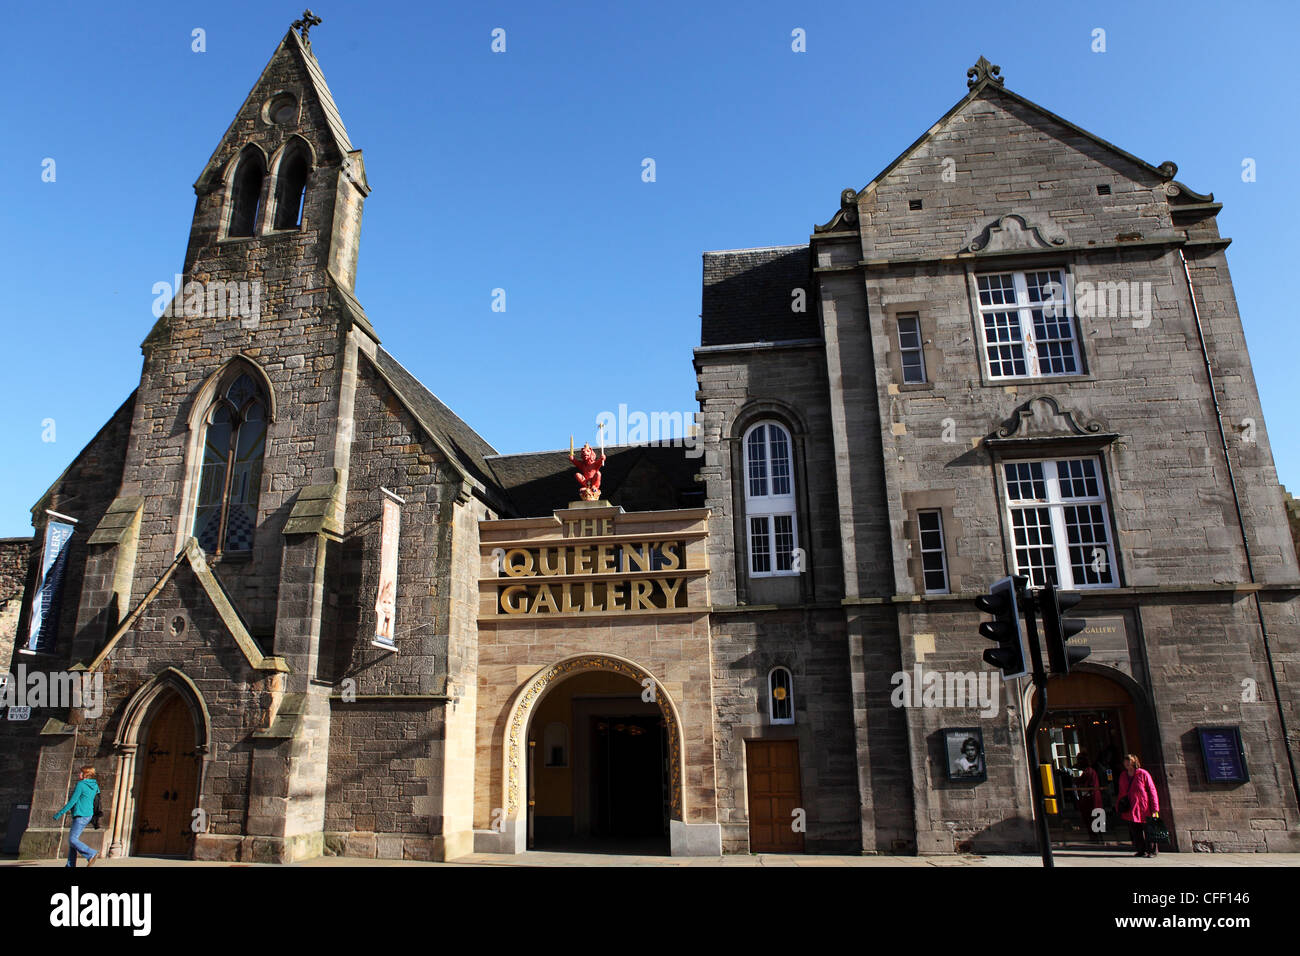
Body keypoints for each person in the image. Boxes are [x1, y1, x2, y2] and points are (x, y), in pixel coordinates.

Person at [53, 765, 101, 867]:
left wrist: (59, 813)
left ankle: (91, 853)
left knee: (72, 840)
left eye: (81, 772)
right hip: (88, 814)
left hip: (80, 814)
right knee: (73, 841)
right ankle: (70, 865)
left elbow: (72, 801)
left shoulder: (81, 785)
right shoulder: (95, 785)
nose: (79, 774)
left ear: (86, 774)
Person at [1117, 753, 1160, 857]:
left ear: (1134, 762)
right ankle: (1141, 850)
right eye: (1125, 761)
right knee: (1135, 830)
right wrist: (1119, 805)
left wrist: (1155, 808)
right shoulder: (1123, 775)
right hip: (1130, 807)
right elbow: (1121, 792)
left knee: (1149, 829)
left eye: (1129, 761)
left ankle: (1152, 851)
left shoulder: (1143, 773)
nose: (1127, 763)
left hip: (1144, 806)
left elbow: (1152, 790)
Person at [1075, 754, 1103, 842]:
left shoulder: (1088, 772)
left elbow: (1084, 783)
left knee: (1092, 818)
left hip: (1090, 800)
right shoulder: (1090, 771)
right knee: (1094, 818)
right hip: (1092, 799)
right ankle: (1096, 837)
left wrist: (1075, 780)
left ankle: (1095, 837)